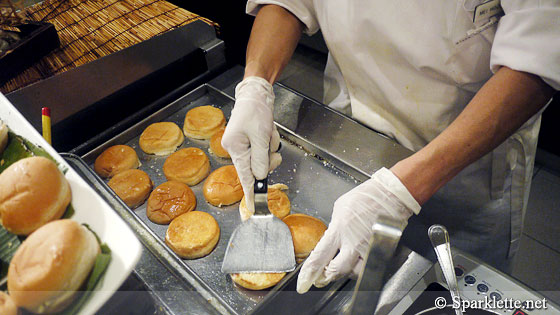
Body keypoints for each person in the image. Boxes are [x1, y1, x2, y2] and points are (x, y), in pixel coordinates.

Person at [221, 1, 559, 294]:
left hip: (461, 168)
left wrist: (398, 191)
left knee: (443, 295)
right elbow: (286, 3)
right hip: (348, 143)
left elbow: (537, 57)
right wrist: (256, 83)